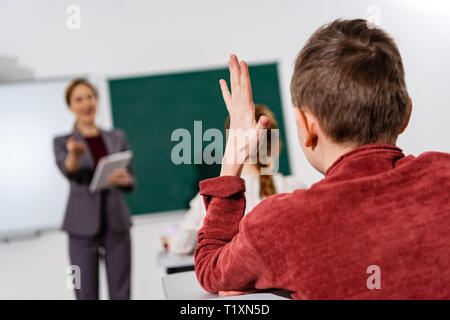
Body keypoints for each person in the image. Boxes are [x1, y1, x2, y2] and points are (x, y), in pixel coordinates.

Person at [194, 19, 450, 299]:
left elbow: (211, 269)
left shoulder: (281, 225)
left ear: (306, 126)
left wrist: (233, 155)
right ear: (406, 114)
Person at [167, 105, 306, 255]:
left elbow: (179, 247)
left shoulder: (214, 197)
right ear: (277, 146)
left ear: (231, 147)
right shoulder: (294, 188)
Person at [53, 79, 135, 300]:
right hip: (80, 229)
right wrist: (74, 155)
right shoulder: (63, 142)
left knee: (122, 292)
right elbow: (68, 170)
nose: (86, 103)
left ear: (96, 100)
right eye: (78, 99)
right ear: (70, 106)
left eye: (90, 97)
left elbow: (131, 181)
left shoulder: (117, 137)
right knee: (84, 293)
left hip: (116, 224)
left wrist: (124, 178)